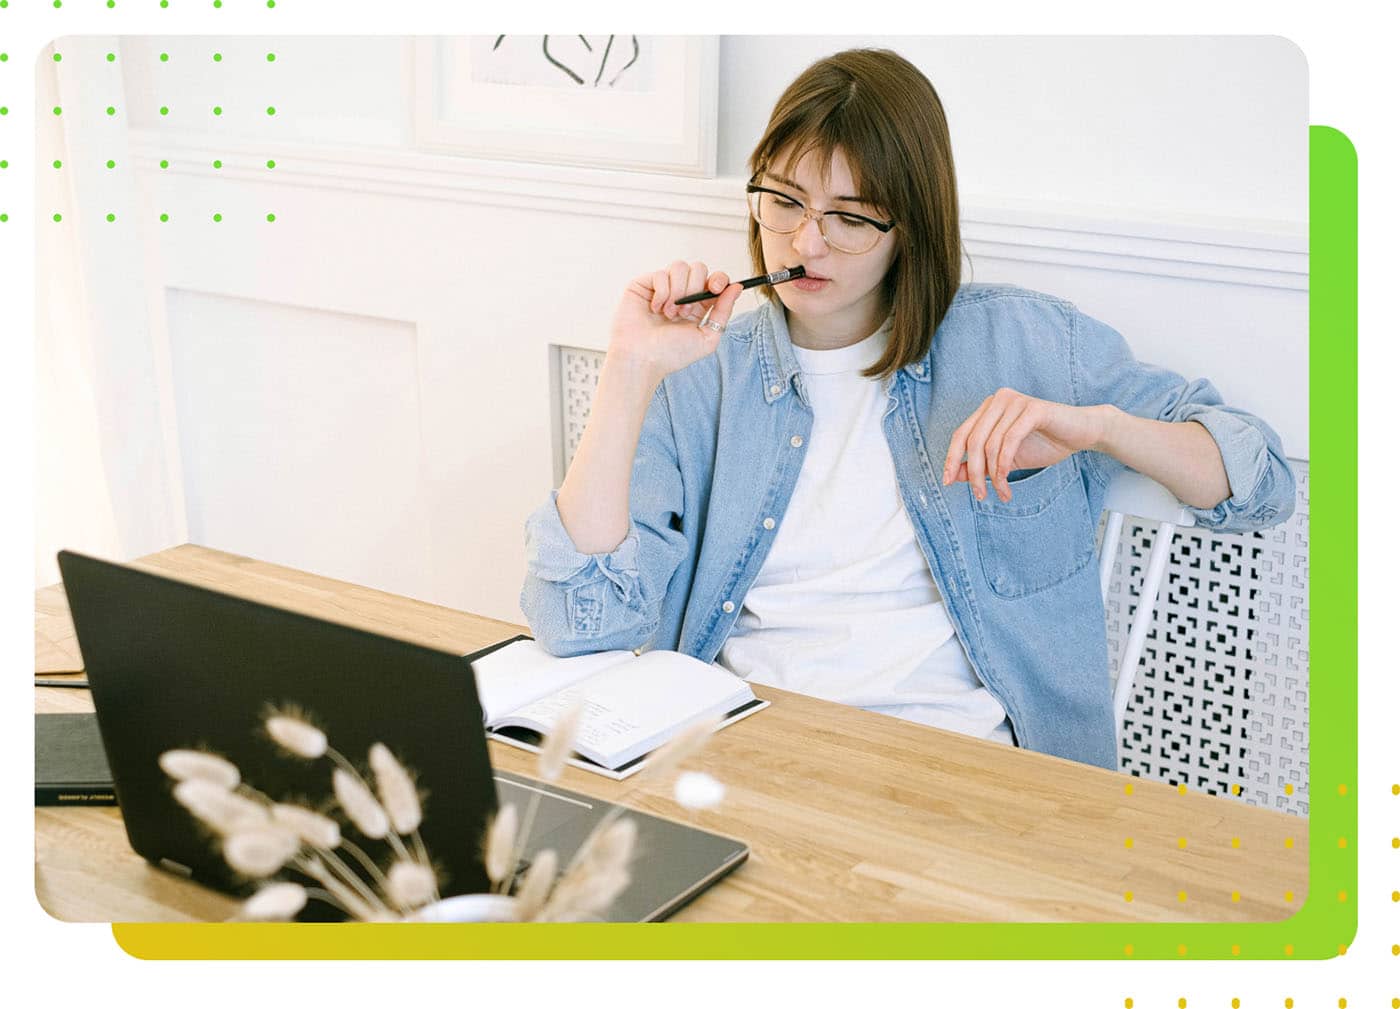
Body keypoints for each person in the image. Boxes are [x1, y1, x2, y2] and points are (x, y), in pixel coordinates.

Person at [519, 48, 1295, 770]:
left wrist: (1100, 428)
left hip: (960, 769)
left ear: (910, 226)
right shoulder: (701, 374)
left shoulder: (1026, 342)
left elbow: (1259, 482)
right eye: (783, 202)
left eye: (851, 217)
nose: (805, 243)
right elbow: (579, 622)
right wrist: (628, 370)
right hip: (749, 751)